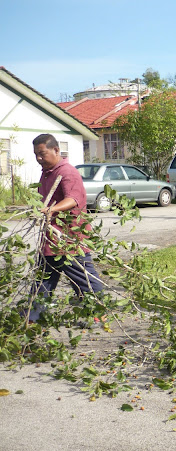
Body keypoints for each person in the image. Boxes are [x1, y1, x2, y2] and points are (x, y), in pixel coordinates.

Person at [29, 134, 103, 322]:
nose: (39, 158)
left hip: (70, 240)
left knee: (86, 282)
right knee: (42, 284)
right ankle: (32, 320)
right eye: (36, 154)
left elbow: (73, 199)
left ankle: (100, 314)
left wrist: (51, 209)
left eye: (42, 154)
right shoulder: (47, 172)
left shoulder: (67, 172)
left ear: (56, 150)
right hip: (51, 240)